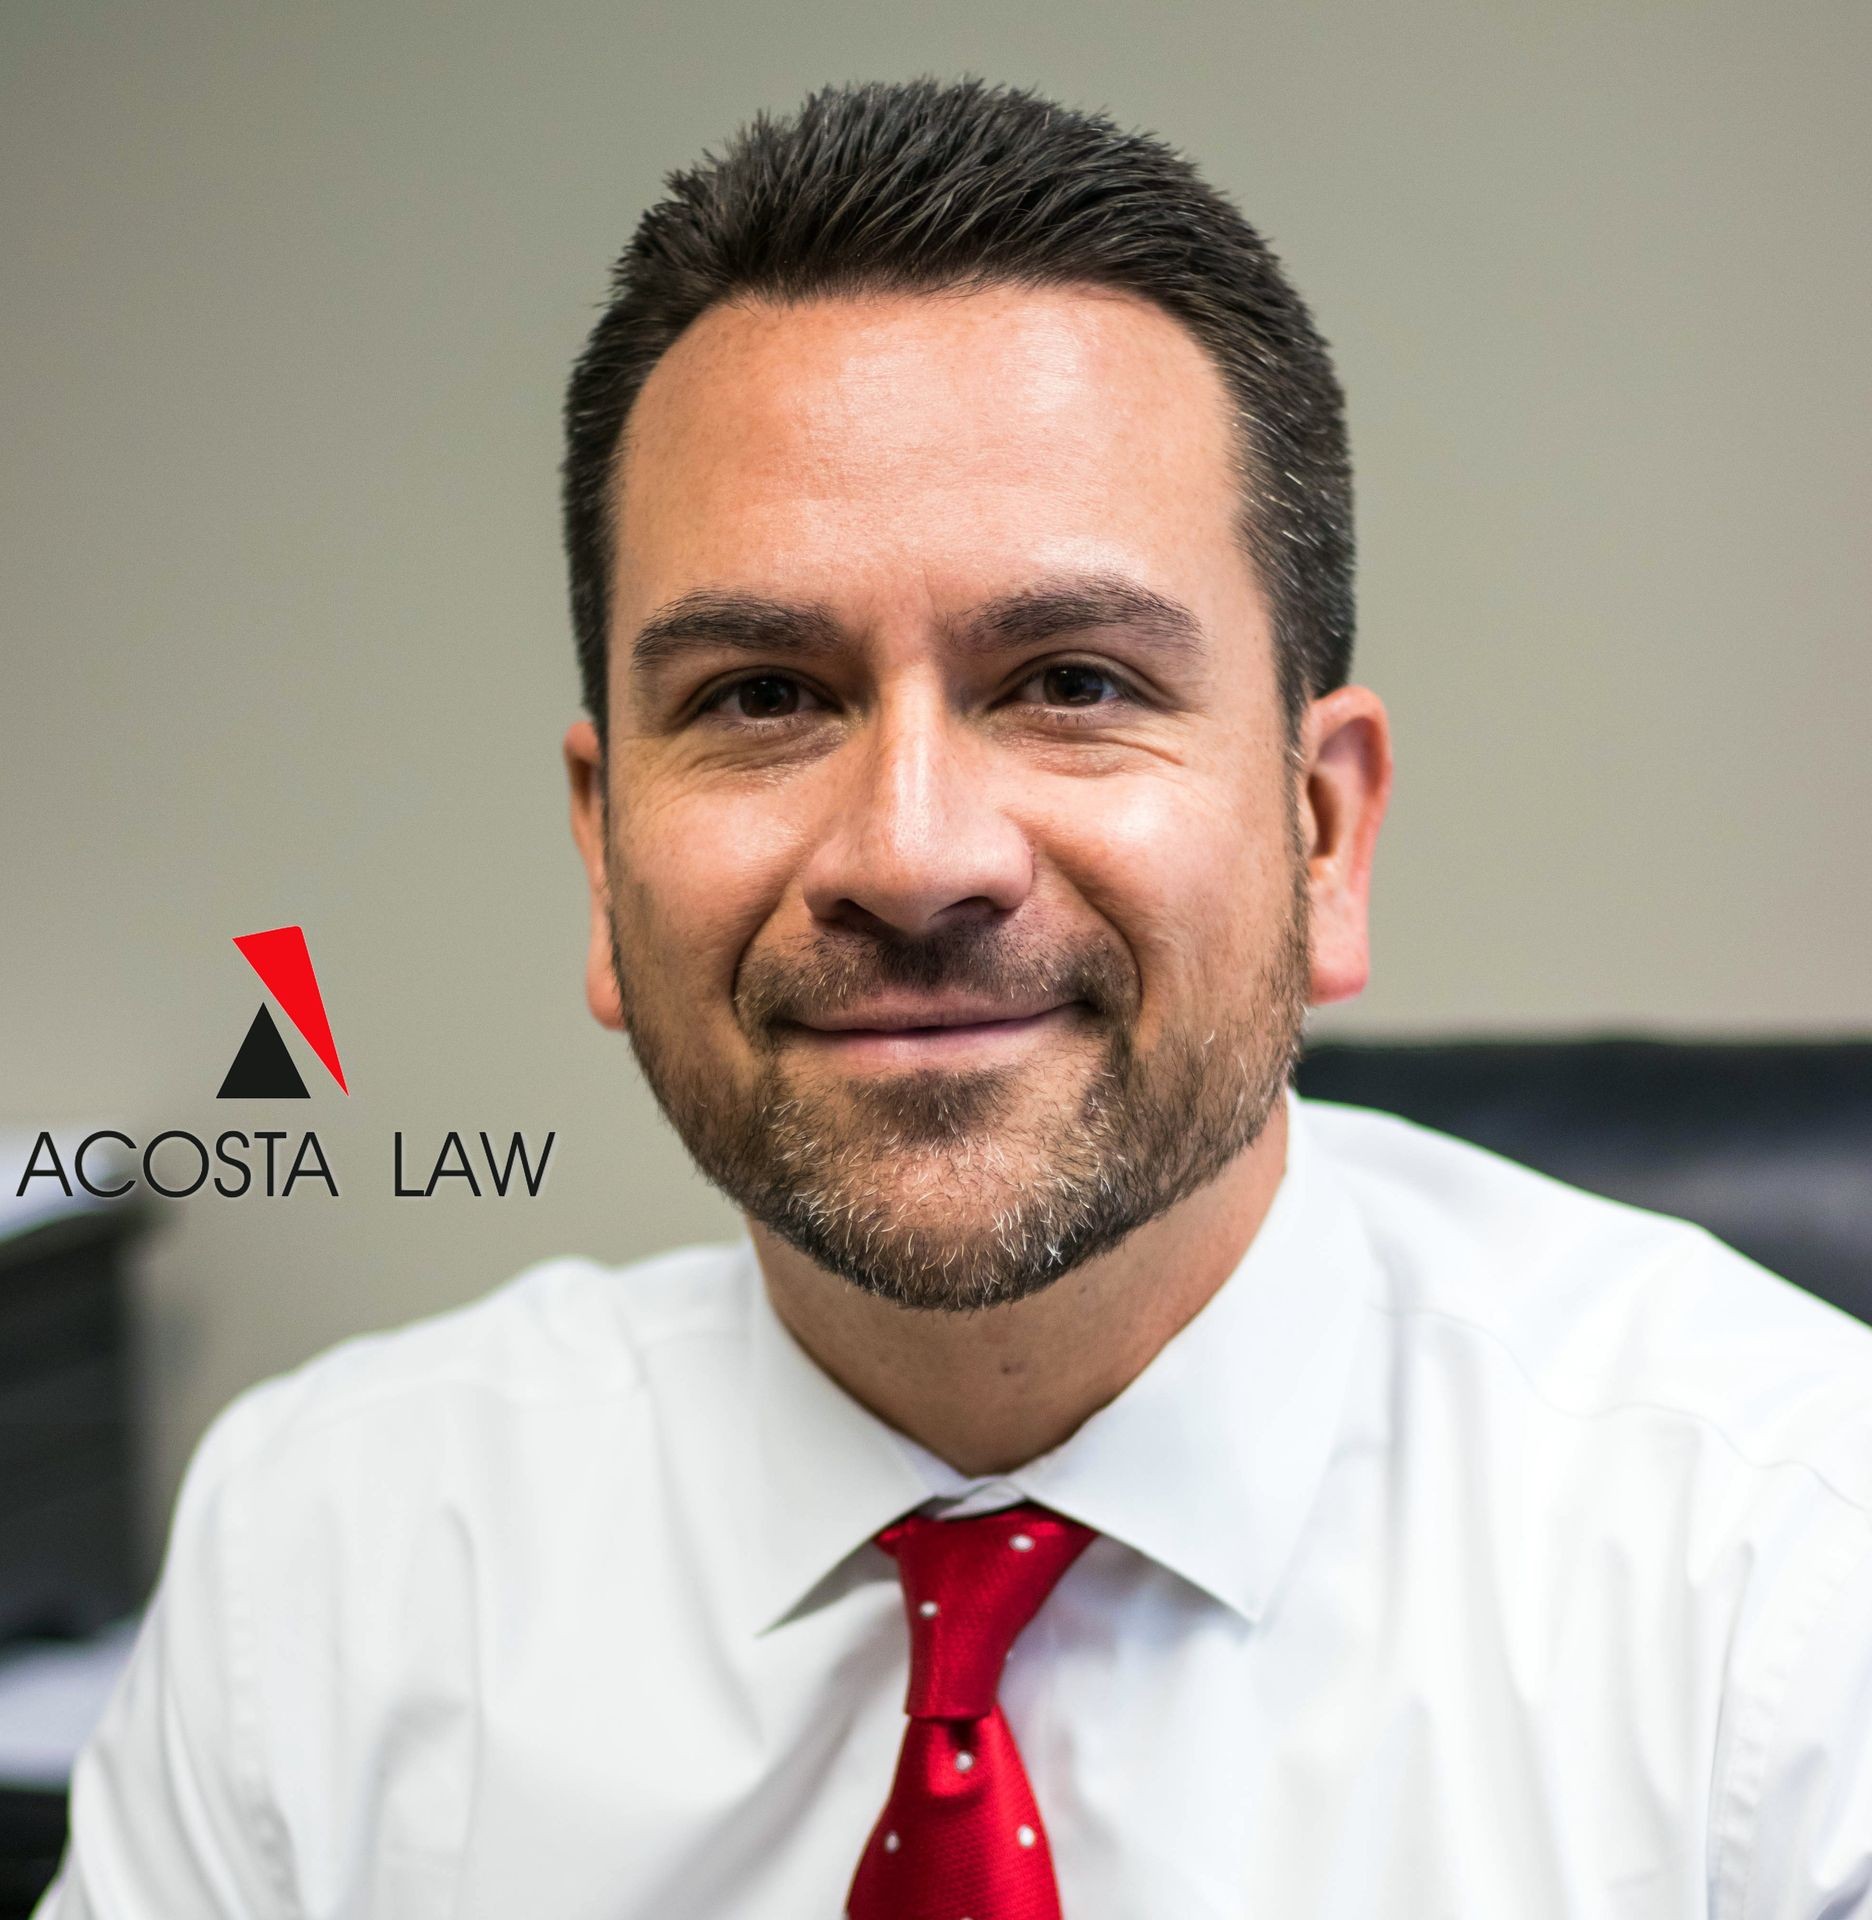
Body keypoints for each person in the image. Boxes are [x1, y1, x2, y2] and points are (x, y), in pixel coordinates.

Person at [35, 78, 1872, 1920]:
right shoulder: (324, 1574)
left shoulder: (1789, 1598)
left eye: (1070, 678)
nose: (913, 855)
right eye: (763, 696)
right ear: (603, 855)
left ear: (1325, 836)